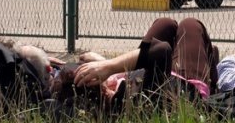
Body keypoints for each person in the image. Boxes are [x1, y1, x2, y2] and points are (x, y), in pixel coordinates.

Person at [73, 17, 220, 103]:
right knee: (190, 24)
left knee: (165, 24)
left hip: (150, 71)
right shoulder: (121, 102)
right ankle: (211, 85)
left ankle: (208, 59)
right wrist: (109, 66)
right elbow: (161, 51)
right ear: (104, 91)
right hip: (184, 85)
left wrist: (103, 63)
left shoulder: (113, 89)